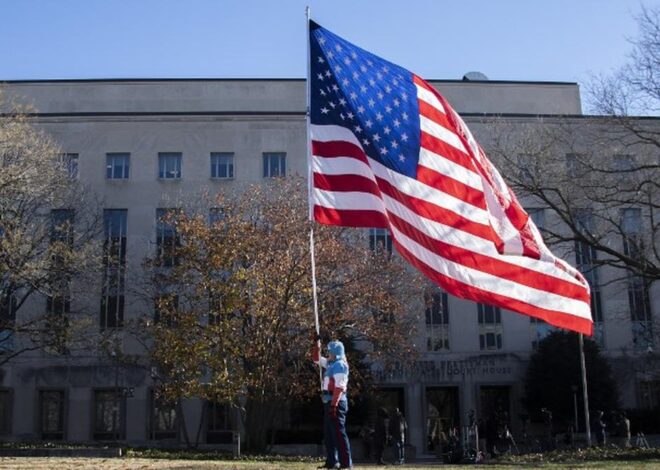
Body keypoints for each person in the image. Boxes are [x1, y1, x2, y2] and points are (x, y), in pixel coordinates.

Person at [313, 337, 353, 469]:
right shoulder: (331, 363)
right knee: (329, 434)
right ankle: (332, 461)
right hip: (329, 401)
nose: (328, 353)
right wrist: (316, 345)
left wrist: (334, 405)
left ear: (336, 353)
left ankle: (346, 463)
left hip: (336, 402)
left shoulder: (339, 365)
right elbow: (316, 359)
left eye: (330, 351)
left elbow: (339, 387)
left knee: (338, 434)